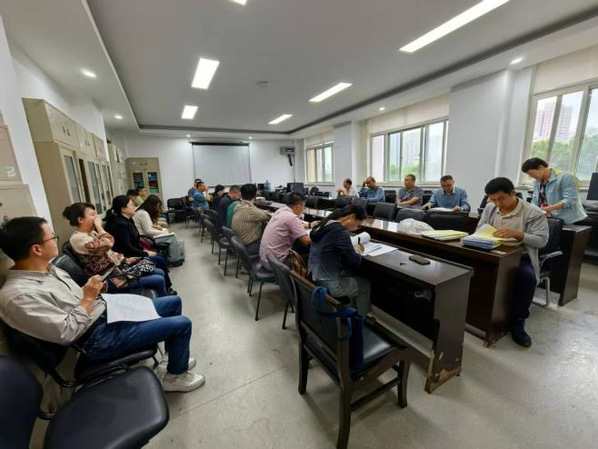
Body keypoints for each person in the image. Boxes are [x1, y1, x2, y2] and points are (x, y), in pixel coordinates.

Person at [0, 217, 205, 392]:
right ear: (36, 249)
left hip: (103, 314)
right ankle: (174, 377)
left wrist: (92, 291)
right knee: (182, 324)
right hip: (96, 339)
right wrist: (88, 297)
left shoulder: (49, 270)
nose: (56, 240)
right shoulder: (18, 295)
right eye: (52, 237)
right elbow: (66, 332)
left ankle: (171, 360)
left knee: (173, 302)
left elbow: (77, 299)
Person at [478, 177, 549, 347]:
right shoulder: (490, 208)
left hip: (519, 256)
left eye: (501, 199)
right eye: (493, 200)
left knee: (527, 278)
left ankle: (518, 322)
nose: (497, 204)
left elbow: (542, 241)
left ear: (513, 193)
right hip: (492, 251)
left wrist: (518, 234)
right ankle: (479, 315)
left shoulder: (534, 213)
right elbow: (479, 229)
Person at [63, 202, 169, 297]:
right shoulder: (78, 239)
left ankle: (164, 300)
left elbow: (109, 252)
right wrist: (99, 227)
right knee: (158, 279)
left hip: (116, 271)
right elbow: (108, 243)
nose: (97, 217)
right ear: (81, 220)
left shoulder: (91, 233)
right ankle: (163, 306)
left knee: (158, 271)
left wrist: (125, 260)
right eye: (92, 215)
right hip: (107, 281)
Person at [104, 195, 175, 293]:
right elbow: (127, 247)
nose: (134, 207)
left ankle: (166, 287)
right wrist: (145, 253)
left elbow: (135, 241)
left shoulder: (129, 220)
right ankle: (168, 288)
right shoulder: (120, 224)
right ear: (123, 209)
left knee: (160, 257)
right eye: (131, 205)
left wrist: (144, 250)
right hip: (128, 257)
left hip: (134, 252)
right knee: (159, 259)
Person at [308, 205, 370, 315]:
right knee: (365, 284)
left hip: (314, 276)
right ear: (352, 216)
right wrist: (358, 251)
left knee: (349, 273)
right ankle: (361, 319)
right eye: (357, 224)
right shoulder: (340, 232)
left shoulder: (324, 224)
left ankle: (350, 311)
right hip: (329, 284)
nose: (355, 228)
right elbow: (354, 261)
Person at [522, 157, 587, 224]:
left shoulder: (566, 177)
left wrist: (547, 209)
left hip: (570, 220)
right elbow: (535, 201)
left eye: (531, 173)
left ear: (540, 167)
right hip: (550, 219)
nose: (531, 176)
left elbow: (570, 200)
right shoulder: (537, 183)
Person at [260, 193, 313, 270]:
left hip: (266, 259)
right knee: (310, 257)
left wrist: (310, 225)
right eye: (304, 207)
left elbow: (292, 224)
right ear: (298, 207)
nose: (303, 209)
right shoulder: (292, 217)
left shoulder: (280, 211)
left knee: (298, 247)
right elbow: (307, 241)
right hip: (276, 264)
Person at [134, 195, 185, 266]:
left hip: (145, 236)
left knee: (170, 233)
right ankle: (173, 260)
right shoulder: (143, 213)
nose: (157, 208)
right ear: (152, 206)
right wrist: (163, 232)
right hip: (145, 239)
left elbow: (150, 227)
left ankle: (176, 255)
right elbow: (148, 232)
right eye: (157, 206)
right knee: (172, 236)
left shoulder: (143, 212)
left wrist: (164, 231)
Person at [231, 184, 271, 255]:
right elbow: (267, 217)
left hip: (239, 244)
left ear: (241, 194)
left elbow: (254, 211)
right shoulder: (251, 211)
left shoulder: (237, 206)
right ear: (255, 196)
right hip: (250, 246)